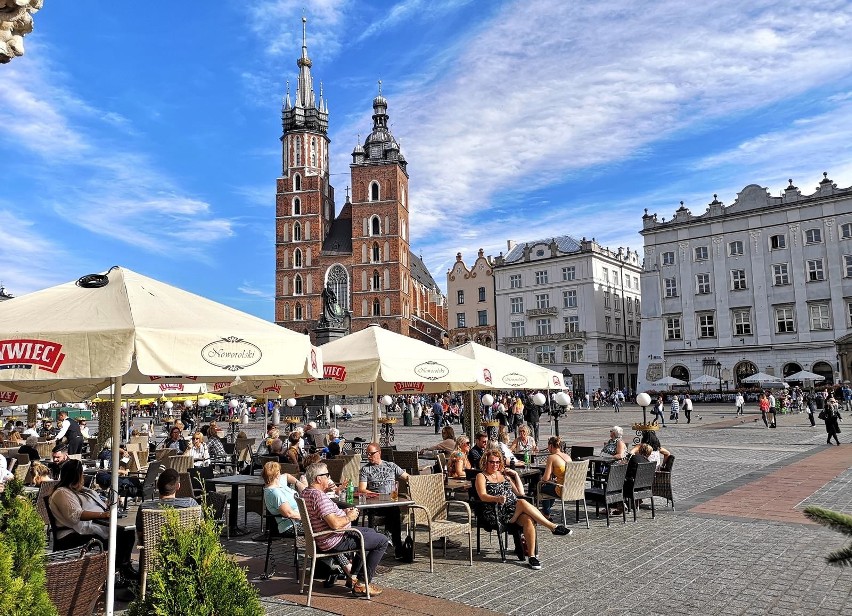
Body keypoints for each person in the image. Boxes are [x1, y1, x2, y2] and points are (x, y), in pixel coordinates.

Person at [475, 449, 571, 570]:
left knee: (528, 519)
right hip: (497, 512)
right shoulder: (481, 476)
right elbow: (482, 496)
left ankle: (531, 557)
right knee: (521, 502)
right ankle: (552, 527)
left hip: (513, 510)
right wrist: (497, 498)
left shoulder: (503, 475)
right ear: (486, 462)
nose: (495, 464)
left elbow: (519, 492)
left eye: (497, 462)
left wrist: (515, 475)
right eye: (492, 462)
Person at [301, 462, 388, 596]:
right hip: (334, 539)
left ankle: (352, 577)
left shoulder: (307, 492)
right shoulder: (319, 496)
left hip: (324, 537)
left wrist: (343, 512)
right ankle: (362, 584)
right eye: (327, 475)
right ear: (319, 479)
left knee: (371, 532)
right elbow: (335, 524)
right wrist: (349, 517)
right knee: (382, 541)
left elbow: (325, 516)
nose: (329, 478)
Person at [50, 459, 138, 582]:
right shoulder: (62, 493)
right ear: (76, 476)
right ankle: (116, 572)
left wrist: (109, 506)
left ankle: (123, 567)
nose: (83, 477)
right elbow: (76, 515)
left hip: (93, 525)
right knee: (120, 535)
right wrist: (104, 515)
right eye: (81, 474)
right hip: (73, 533)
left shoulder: (82, 490)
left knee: (127, 532)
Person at [358, 443, 409, 559]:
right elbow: (362, 489)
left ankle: (397, 546)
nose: (368, 456)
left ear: (379, 453)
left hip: (390, 502)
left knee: (395, 510)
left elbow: (408, 477)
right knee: (386, 512)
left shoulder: (391, 466)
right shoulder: (365, 469)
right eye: (367, 454)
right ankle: (381, 541)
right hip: (375, 504)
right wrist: (377, 495)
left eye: (371, 454)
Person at [135, 468, 199, 543]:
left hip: (153, 553)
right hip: (184, 551)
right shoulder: (190, 504)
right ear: (178, 486)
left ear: (157, 486)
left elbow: (140, 535)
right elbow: (200, 527)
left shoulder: (144, 507)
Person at [538, 436, 573, 517]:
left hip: (561, 490)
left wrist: (541, 479)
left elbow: (545, 478)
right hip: (571, 489)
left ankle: (546, 512)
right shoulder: (568, 457)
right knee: (551, 486)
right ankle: (547, 511)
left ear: (550, 446)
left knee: (542, 487)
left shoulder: (552, 457)